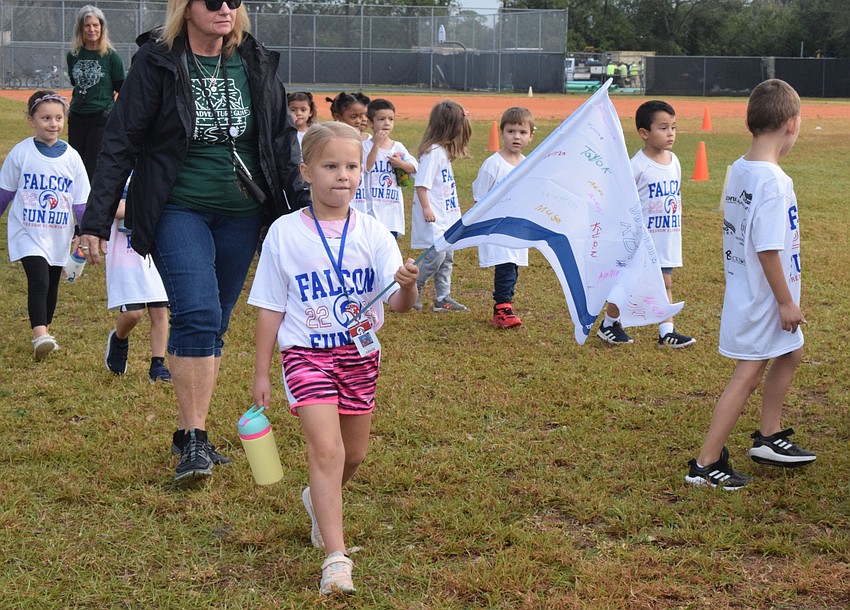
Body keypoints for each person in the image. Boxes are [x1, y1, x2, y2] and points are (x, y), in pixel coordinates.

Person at [79, 0, 309, 482]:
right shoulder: (159, 61)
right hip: (176, 206)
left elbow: (282, 140)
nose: (224, 8)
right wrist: (95, 220)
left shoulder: (254, 59)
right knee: (198, 313)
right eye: (211, 0)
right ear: (185, 7)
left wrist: (302, 208)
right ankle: (197, 442)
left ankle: (186, 435)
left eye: (235, 0)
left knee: (215, 321)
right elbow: (120, 140)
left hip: (243, 212)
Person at [249, 122, 419, 595]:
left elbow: (400, 306)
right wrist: (262, 371)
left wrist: (407, 286)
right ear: (306, 171)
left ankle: (316, 499)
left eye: (351, 166)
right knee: (326, 451)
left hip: (360, 355)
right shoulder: (284, 233)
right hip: (305, 354)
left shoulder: (373, 232)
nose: (342, 176)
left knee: (354, 454)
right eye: (330, 166)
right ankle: (335, 558)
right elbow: (270, 307)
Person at [685, 79, 815, 490]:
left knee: (791, 353)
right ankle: (705, 465)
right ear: (792, 124)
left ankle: (769, 437)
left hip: (750, 292)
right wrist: (785, 301)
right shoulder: (775, 182)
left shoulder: (740, 168)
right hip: (763, 298)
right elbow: (768, 249)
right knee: (747, 374)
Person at [597, 100, 695, 348]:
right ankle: (609, 324)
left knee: (666, 282)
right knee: (628, 285)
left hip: (667, 236)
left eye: (673, 126)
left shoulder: (674, 161)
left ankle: (667, 331)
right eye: (663, 128)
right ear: (644, 133)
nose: (670, 133)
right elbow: (623, 201)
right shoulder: (636, 166)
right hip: (642, 240)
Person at [0, 91, 89, 361]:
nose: (53, 124)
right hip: (27, 232)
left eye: (59, 118)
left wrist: (85, 232)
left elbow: (81, 202)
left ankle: (45, 331)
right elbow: (5, 192)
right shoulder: (21, 153)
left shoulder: (72, 157)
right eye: (46, 118)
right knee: (38, 280)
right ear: (32, 121)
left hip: (58, 234)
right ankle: (39, 334)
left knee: (52, 285)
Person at [103, 177, 171, 382]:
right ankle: (119, 338)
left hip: (154, 250)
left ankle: (157, 364)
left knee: (159, 310)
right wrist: (146, 206)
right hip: (126, 254)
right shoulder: (119, 170)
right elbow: (111, 206)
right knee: (133, 313)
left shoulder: (161, 169)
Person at [472, 106, 534, 329]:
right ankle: (502, 308)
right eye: (511, 131)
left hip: (518, 227)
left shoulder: (528, 163)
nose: (516, 136)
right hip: (498, 227)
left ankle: (506, 304)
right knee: (506, 265)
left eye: (522, 132)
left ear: (531, 136)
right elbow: (479, 197)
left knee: (514, 266)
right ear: (502, 132)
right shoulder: (493, 164)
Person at [411, 100, 471, 312]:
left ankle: (442, 298)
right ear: (450, 127)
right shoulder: (433, 152)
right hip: (434, 217)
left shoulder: (444, 152)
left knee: (448, 258)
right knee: (435, 257)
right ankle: (413, 289)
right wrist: (427, 209)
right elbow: (421, 183)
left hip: (448, 216)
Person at [66, 5, 125, 179]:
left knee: (92, 164)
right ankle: (76, 203)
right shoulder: (73, 55)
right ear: (81, 28)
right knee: (75, 162)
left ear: (102, 27)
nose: (92, 29)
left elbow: (122, 88)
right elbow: (74, 83)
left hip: (101, 117)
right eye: (87, 25)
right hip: (77, 116)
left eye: (95, 25)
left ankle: (91, 204)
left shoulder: (112, 57)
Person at [363, 98, 417, 238]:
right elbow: (367, 168)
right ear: (370, 122)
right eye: (381, 119)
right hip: (372, 209)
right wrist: (377, 145)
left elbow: (414, 168)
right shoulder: (365, 146)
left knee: (390, 245)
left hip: (392, 210)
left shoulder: (397, 146)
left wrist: (401, 164)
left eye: (391, 119)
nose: (387, 123)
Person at [326, 92, 370, 213]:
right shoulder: (331, 142)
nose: (359, 121)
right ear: (337, 117)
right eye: (354, 117)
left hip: (363, 204)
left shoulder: (371, 141)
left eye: (364, 115)